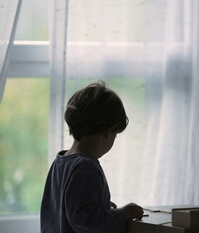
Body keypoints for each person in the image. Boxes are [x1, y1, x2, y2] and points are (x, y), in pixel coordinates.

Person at [41, 81, 145, 232]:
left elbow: (70, 208)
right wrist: (123, 214)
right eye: (115, 135)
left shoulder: (61, 162)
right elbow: (86, 222)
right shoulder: (86, 167)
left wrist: (102, 208)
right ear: (106, 132)